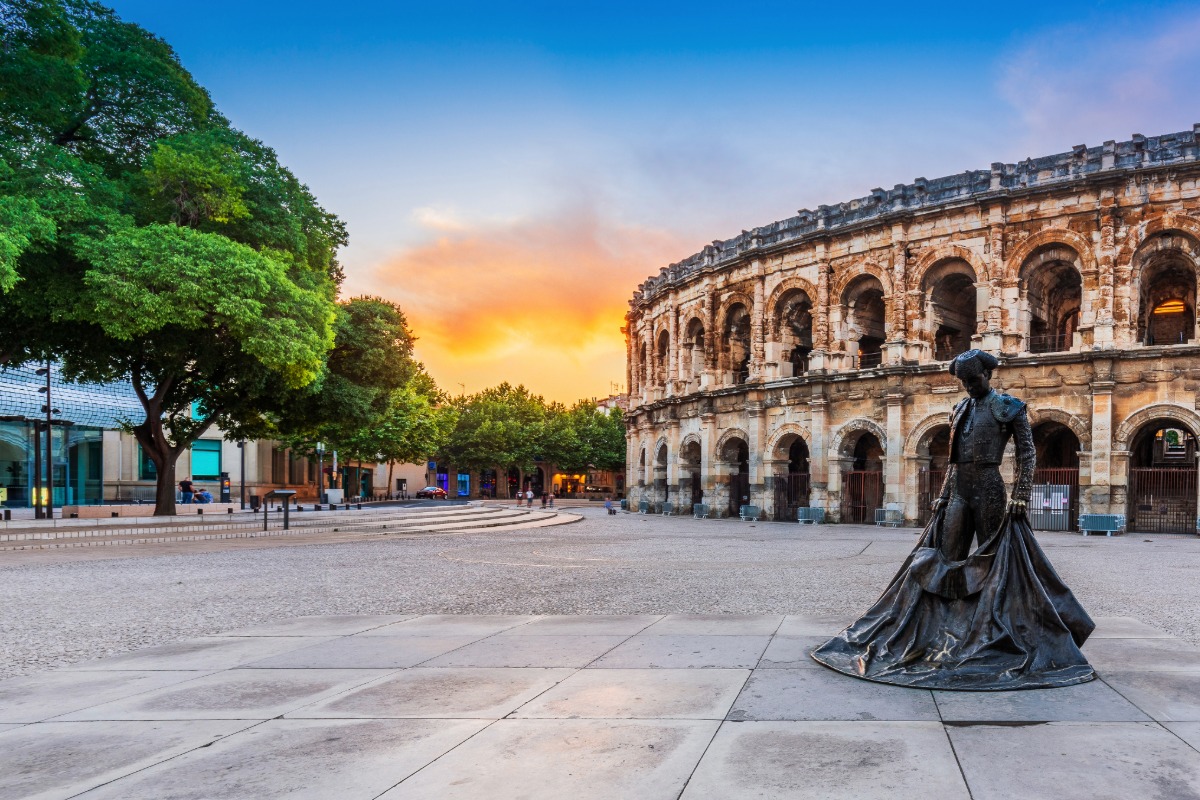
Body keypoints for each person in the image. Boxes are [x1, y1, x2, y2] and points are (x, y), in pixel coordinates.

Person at [812, 349, 1095, 690]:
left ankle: (990, 623)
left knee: (992, 561)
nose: (969, 386)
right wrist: (945, 494)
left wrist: (1021, 493)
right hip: (961, 488)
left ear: (986, 376)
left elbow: (1027, 452)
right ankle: (942, 628)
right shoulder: (960, 407)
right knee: (946, 558)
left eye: (973, 380)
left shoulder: (1009, 406)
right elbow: (953, 460)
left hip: (989, 486)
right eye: (963, 381)